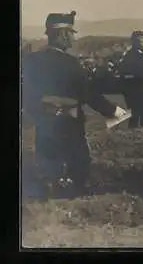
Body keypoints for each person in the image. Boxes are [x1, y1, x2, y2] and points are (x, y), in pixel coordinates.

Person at [22, 11, 128, 198]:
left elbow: (27, 94)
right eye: (71, 33)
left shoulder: (32, 61)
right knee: (78, 169)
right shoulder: (71, 64)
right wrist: (114, 111)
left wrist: (38, 114)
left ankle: (51, 203)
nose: (73, 38)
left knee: (48, 170)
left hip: (44, 126)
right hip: (69, 126)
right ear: (63, 35)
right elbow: (88, 94)